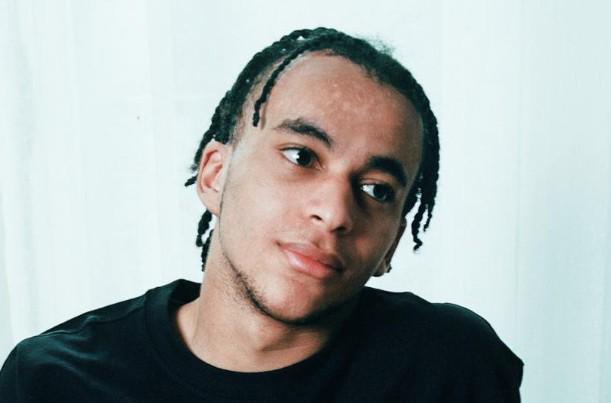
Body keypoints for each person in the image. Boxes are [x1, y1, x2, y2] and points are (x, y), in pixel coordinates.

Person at [0, 27, 523, 402]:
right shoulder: (53, 381)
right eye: (301, 156)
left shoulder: (451, 365)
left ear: (392, 243)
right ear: (215, 175)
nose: (334, 212)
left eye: (376, 190)